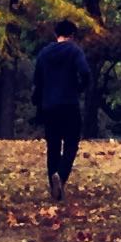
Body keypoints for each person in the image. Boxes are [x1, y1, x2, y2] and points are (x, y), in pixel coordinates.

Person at [33, 19, 95, 205]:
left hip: (49, 106)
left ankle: (54, 184)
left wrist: (39, 101)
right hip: (69, 104)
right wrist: (79, 88)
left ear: (56, 34)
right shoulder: (74, 50)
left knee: (53, 145)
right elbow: (85, 72)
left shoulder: (44, 53)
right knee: (71, 143)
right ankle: (61, 174)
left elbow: (37, 79)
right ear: (73, 35)